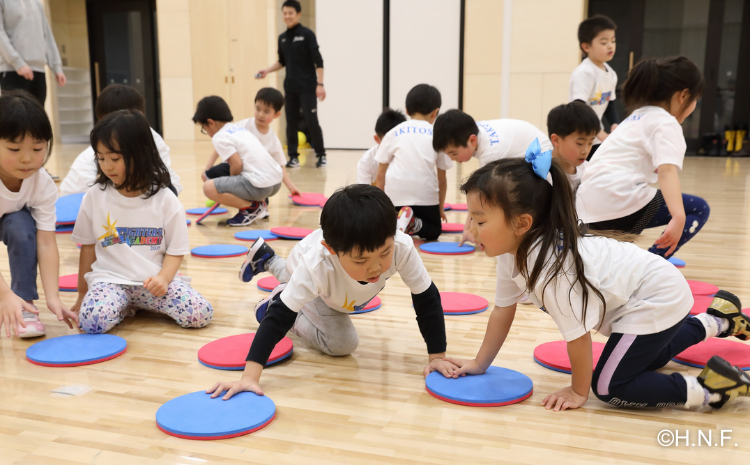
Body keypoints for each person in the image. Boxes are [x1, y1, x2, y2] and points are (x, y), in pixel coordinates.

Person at [447, 155, 750, 411]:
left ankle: (711, 389)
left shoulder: (552, 268)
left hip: (657, 296)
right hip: (655, 292)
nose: (470, 229)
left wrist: (579, 391)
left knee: (608, 386)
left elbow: (577, 337)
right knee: (651, 356)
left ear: (522, 223)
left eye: (480, 220)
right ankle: (718, 320)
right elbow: (503, 310)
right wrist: (479, 363)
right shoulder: (511, 251)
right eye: (471, 218)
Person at [206, 184, 456, 399]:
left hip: (328, 287)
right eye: (361, 261)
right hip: (310, 275)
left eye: (384, 253)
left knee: (325, 293)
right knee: (341, 344)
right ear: (332, 250)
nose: (377, 267)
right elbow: (282, 315)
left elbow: (426, 298)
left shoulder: (400, 246)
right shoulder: (318, 265)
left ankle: (268, 260)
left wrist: (437, 356)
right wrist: (250, 377)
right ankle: (272, 298)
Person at [71, 110, 212, 334]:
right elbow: (87, 247)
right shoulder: (94, 196)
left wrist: (164, 279)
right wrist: (82, 294)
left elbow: (176, 251)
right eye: (101, 158)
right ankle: (123, 305)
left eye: (115, 158)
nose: (107, 166)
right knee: (91, 321)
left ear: (141, 153)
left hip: (153, 282)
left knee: (200, 313)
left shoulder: (166, 199)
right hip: (110, 281)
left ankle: (133, 305)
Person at [577, 56, 709, 260]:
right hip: (619, 200)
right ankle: (652, 262)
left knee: (609, 259)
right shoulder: (665, 122)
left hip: (587, 204)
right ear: (683, 96)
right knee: (698, 209)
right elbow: (667, 171)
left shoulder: (634, 117)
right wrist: (678, 216)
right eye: (695, 100)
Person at [0, 90, 76, 338]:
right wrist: (3, 295)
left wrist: (52, 297)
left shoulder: (42, 183)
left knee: (21, 227)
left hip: (8, 219)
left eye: (37, 148)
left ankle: (24, 305)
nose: (26, 159)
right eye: (13, 149)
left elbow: (45, 242)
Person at [432, 108, 552, 245]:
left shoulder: (490, 153)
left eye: (453, 153)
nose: (452, 158)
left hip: (541, 156)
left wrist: (468, 229)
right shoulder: (473, 131)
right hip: (532, 147)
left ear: (472, 141)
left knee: (498, 196)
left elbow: (478, 196)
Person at [60, 84, 182, 197]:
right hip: (77, 201)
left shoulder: (151, 138)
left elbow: (165, 179)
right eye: (101, 158)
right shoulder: (93, 157)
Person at [202, 87, 301, 220]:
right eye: (258, 109)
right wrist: (208, 166)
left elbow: (279, 166)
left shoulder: (273, 140)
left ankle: (251, 207)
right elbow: (221, 145)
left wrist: (291, 187)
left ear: (276, 115)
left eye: (266, 111)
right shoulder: (242, 126)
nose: (261, 114)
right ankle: (243, 202)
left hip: (257, 175)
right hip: (238, 169)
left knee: (260, 196)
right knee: (208, 175)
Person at [375, 84, 451, 241]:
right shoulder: (437, 135)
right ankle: (414, 223)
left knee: (390, 228)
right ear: (435, 112)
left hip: (396, 196)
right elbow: (442, 179)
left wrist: (382, 205)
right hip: (425, 197)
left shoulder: (393, 132)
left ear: (407, 110)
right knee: (434, 231)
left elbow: (381, 172)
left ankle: (400, 219)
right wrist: (440, 208)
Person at [256, 0, 327, 168]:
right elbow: (282, 62)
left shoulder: (307, 34)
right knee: (291, 122)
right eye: (285, 13)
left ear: (298, 14)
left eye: (291, 13)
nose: (287, 16)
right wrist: (267, 70)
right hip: (290, 88)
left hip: (308, 87)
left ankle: (321, 155)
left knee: (311, 120)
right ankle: (293, 156)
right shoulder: (282, 38)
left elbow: (319, 61)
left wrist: (320, 84)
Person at [193, 96, 283, 227]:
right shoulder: (239, 129)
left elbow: (237, 164)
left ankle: (250, 208)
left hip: (261, 186)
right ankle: (260, 204)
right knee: (221, 172)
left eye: (204, 129)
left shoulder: (219, 136)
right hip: (275, 183)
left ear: (211, 123)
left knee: (208, 187)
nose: (206, 132)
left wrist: (232, 186)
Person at [569, 14, 619, 160]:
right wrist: (598, 131)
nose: (610, 46)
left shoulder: (611, 74)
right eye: (604, 42)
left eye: (613, 41)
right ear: (586, 47)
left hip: (595, 138)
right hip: (580, 139)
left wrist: (615, 124)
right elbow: (579, 108)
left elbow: (609, 104)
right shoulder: (585, 73)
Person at [0, 0, 66, 105]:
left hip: (38, 70)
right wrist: (18, 63)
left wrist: (56, 67)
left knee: (38, 116)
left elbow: (47, 36)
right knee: (14, 116)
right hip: (12, 70)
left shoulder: (37, 3)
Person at [546, 101, 601, 194]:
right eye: (580, 143)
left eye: (590, 143)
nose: (586, 151)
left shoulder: (589, 171)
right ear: (556, 140)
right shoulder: (543, 174)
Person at [356, 108, 406, 185]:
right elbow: (363, 194)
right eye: (388, 141)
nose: (393, 145)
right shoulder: (367, 161)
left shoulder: (410, 157)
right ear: (377, 139)